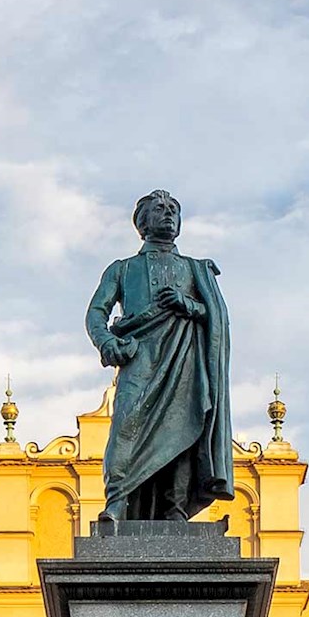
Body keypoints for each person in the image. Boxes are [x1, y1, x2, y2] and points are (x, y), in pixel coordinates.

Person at [83, 190, 234, 527]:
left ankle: (175, 508)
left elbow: (218, 317)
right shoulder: (123, 269)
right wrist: (107, 341)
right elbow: (96, 313)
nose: (168, 214)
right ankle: (117, 502)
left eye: (173, 210)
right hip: (140, 356)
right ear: (142, 223)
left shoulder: (195, 270)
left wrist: (189, 305)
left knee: (184, 426)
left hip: (184, 358)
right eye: (159, 209)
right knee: (126, 425)